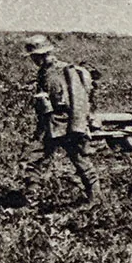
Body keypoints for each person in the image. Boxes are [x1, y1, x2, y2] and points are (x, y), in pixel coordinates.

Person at [21, 34, 101, 204]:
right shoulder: (43, 73)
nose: (34, 60)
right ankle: (29, 200)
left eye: (35, 56)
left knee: (80, 160)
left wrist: (78, 127)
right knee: (34, 158)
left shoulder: (66, 70)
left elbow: (78, 101)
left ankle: (96, 199)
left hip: (66, 124)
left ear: (42, 54)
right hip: (49, 125)